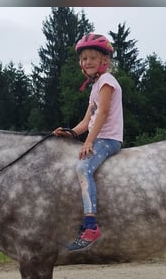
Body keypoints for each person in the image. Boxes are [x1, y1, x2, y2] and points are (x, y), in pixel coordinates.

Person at [53, 33, 123, 251]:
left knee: (83, 168)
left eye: (93, 57)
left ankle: (91, 226)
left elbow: (101, 114)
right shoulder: (94, 87)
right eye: (84, 59)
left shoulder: (107, 81)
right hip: (97, 136)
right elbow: (86, 121)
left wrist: (88, 142)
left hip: (108, 139)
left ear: (105, 60)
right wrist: (70, 134)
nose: (88, 62)